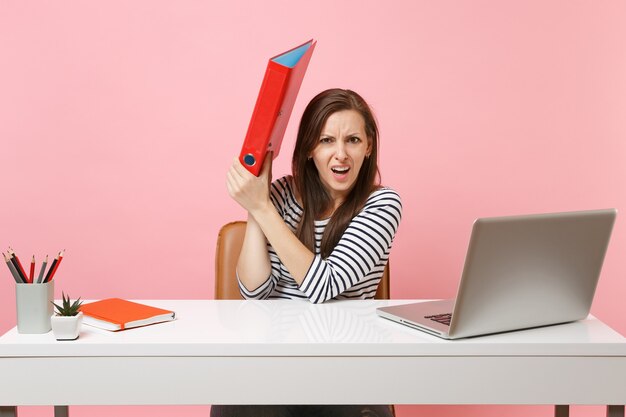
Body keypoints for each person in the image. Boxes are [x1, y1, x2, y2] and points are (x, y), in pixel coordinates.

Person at [215, 88, 402, 417]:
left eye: (353, 140)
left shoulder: (382, 204)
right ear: (309, 150)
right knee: (234, 402)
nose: (340, 154)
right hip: (277, 365)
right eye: (327, 140)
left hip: (343, 371)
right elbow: (256, 291)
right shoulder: (284, 194)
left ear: (369, 146)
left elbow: (323, 286)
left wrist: (262, 206)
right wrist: (257, 202)